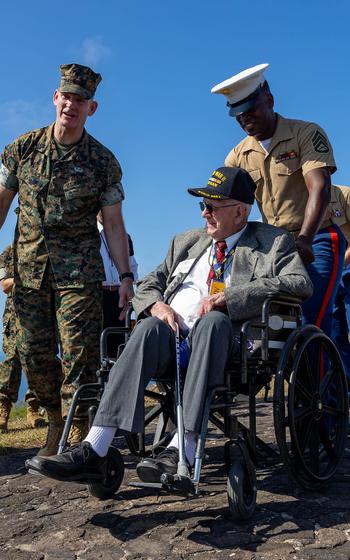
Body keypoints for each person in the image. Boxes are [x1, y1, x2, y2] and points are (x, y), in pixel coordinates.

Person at [26, 166, 313, 484]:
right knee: (148, 327)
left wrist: (233, 297)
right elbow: (149, 283)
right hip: (173, 339)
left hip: (229, 342)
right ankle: (96, 448)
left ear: (240, 212)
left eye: (212, 206)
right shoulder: (186, 242)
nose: (204, 213)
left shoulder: (272, 242)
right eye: (202, 205)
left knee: (213, 322)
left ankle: (183, 448)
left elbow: (299, 282)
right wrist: (157, 305)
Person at [0, 63, 134, 455]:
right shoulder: (22, 149)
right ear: (55, 98)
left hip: (79, 274)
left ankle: (78, 428)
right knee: (32, 350)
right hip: (29, 272)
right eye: (66, 97)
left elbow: (112, 224)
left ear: (92, 108)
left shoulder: (103, 162)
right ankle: (54, 422)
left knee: (79, 353)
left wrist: (125, 276)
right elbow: (3, 204)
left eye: (81, 99)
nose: (71, 105)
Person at [211, 64, 346, 338]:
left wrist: (306, 238)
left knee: (312, 321)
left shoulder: (305, 133)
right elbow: (229, 210)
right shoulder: (236, 157)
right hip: (276, 246)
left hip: (317, 238)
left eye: (250, 110)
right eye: (238, 115)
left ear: (269, 100)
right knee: (274, 322)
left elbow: (319, 187)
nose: (244, 120)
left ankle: (318, 381)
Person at [0, 244, 45, 432]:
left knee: (36, 361)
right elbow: (5, 286)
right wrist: (28, 279)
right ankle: (2, 410)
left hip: (42, 315)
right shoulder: (9, 252)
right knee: (11, 362)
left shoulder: (44, 247)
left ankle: (33, 409)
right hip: (15, 316)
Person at [97, 212, 138, 357]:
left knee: (119, 349)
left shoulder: (125, 237)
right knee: (97, 349)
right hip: (97, 297)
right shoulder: (88, 236)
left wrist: (131, 298)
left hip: (119, 298)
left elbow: (132, 267)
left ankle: (116, 379)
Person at [329, 185, 350, 382]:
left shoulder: (344, 194)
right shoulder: (299, 202)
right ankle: (346, 382)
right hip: (331, 272)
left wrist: (338, 264)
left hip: (344, 267)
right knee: (334, 331)